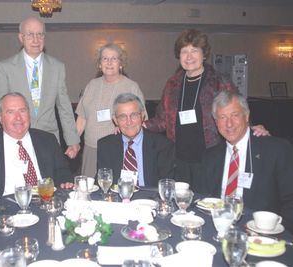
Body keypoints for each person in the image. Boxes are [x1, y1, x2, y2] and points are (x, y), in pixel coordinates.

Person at [144, 28, 268, 185]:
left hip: (210, 158)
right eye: (184, 51)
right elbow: (162, 120)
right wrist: (137, 125)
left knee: (207, 203)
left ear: (204, 54)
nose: (189, 57)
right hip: (179, 160)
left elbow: (237, 111)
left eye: (194, 51)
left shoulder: (218, 81)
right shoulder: (172, 84)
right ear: (179, 55)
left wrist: (252, 128)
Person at [195, 91, 293, 233]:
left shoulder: (275, 150)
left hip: (262, 233)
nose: (229, 123)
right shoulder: (211, 156)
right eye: (222, 117)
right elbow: (202, 200)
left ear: (246, 116)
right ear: (216, 122)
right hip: (217, 229)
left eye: (235, 115)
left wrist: (282, 233)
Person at [0, 16, 80, 159]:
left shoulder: (57, 67)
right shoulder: (5, 68)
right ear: (21, 37)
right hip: (16, 138)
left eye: (40, 34)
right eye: (30, 34)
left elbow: (64, 107)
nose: (36, 39)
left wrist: (72, 140)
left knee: (49, 181)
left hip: (49, 138)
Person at [0, 92, 72, 198]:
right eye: (10, 112)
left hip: (44, 200)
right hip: (4, 207)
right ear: (0, 118)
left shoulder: (47, 140)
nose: (18, 118)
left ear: (29, 113)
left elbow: (62, 171)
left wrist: (65, 182)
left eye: (22, 110)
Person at [75, 43, 147, 177]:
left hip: (119, 149)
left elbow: (142, 120)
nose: (109, 62)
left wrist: (125, 126)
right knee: (88, 189)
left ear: (121, 63)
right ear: (99, 64)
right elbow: (82, 118)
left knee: (115, 190)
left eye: (114, 58)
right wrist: (73, 141)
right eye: (105, 58)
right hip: (91, 149)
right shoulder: (91, 85)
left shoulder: (131, 87)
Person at [97, 93, 175, 187]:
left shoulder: (162, 146)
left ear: (142, 116)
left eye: (134, 115)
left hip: (150, 199)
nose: (129, 122)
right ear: (115, 120)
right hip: (117, 200)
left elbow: (167, 185)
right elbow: (102, 181)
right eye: (122, 117)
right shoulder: (106, 146)